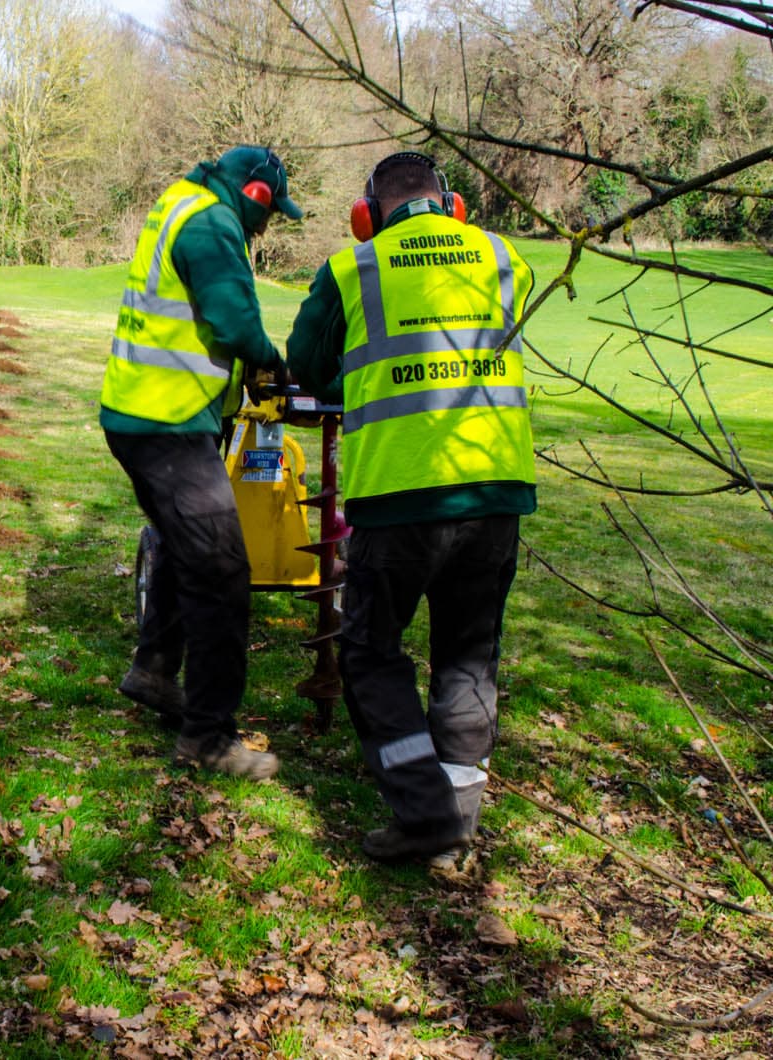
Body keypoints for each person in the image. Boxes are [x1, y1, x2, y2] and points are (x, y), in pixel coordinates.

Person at [285, 150, 536, 866]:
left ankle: (423, 810)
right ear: (452, 204)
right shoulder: (502, 256)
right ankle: (456, 820)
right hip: (494, 490)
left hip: (399, 494)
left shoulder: (351, 269)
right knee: (466, 656)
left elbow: (307, 363)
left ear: (367, 216)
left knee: (367, 654)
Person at [100, 144, 303, 780]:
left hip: (145, 414)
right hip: (166, 422)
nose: (267, 229)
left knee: (184, 546)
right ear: (255, 197)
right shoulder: (214, 224)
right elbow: (233, 321)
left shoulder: (181, 202)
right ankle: (208, 737)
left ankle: (156, 672)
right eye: (269, 215)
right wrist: (271, 360)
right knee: (221, 570)